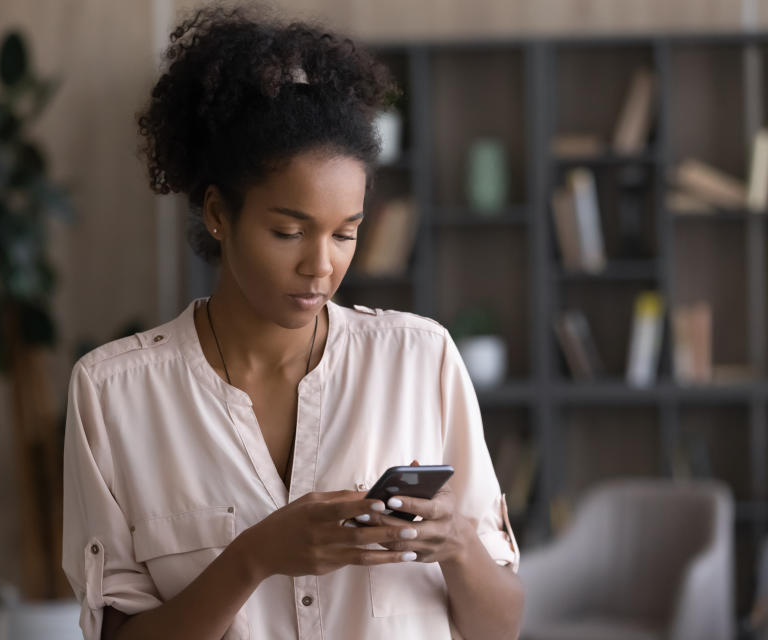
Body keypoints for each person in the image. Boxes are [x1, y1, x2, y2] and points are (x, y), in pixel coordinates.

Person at [61, 4, 523, 639]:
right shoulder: (116, 393)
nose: (321, 265)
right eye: (288, 231)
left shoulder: (422, 360)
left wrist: (461, 546)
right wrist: (253, 558)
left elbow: (500, 630)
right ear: (219, 215)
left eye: (346, 234)